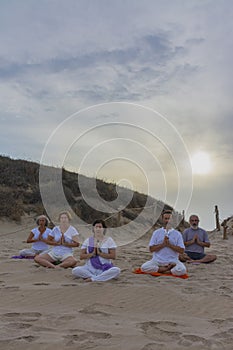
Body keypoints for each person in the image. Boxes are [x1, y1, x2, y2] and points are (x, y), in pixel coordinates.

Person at [141, 211, 187, 276]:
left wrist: (169, 245)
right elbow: (151, 249)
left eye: (169, 219)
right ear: (162, 219)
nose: (167, 221)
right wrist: (163, 245)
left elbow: (182, 250)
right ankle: (165, 270)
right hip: (157, 261)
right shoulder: (156, 233)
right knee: (144, 267)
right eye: (166, 219)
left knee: (182, 270)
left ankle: (163, 270)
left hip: (173, 261)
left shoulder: (177, 234)